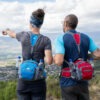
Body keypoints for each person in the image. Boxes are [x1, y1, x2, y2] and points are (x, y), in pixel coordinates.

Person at [2, 8, 53, 100]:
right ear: (41, 24)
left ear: (30, 23)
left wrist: (7, 31)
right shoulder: (46, 40)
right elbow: (49, 61)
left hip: (23, 81)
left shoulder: (23, 35)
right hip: (38, 82)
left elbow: (12, 34)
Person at [54, 14, 100, 100]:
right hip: (83, 80)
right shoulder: (86, 37)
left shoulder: (61, 38)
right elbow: (98, 54)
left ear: (65, 24)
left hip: (68, 82)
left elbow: (59, 61)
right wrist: (86, 56)